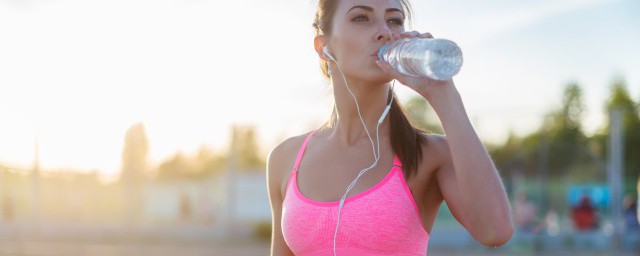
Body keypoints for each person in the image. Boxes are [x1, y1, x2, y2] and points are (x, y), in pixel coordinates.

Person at [266, 1, 513, 255]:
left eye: (394, 20)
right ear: (324, 47)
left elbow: (495, 230)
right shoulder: (285, 158)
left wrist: (444, 93)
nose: (385, 31)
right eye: (361, 18)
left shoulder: (429, 154)